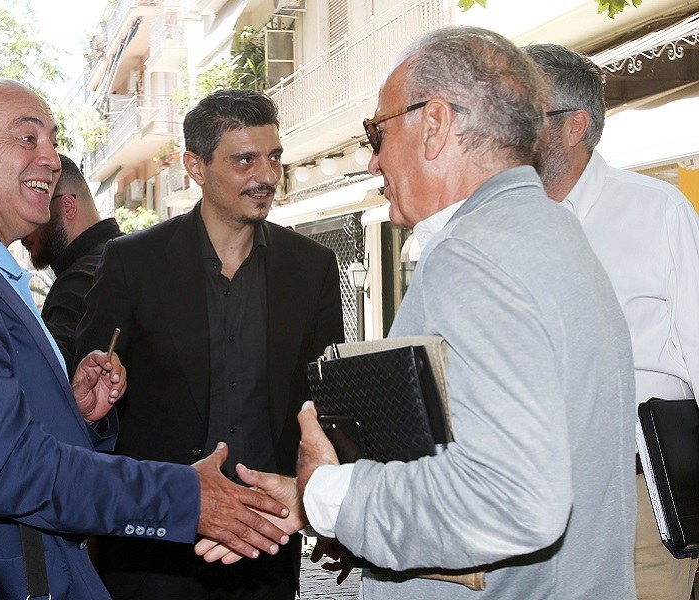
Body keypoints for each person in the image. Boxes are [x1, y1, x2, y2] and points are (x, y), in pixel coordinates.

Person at [0, 78, 294, 599]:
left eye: (53, 140)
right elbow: (7, 469)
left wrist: (72, 414)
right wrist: (186, 498)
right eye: (28, 138)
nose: (50, 158)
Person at [217, 26, 637, 599]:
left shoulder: (476, 255)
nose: (373, 162)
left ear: (435, 125)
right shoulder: (550, 232)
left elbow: (512, 499)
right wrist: (315, 500)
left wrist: (331, 495)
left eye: (377, 132)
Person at [75, 89, 344, 600]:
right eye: (245, 160)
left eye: (273, 157)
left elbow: (327, 402)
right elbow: (85, 401)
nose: (266, 176)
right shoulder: (132, 263)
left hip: (266, 546)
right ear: (195, 167)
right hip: (154, 553)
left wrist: (331, 505)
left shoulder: (311, 268)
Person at [526, 42, 699, 600]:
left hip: (639, 500)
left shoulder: (657, 211)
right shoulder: (497, 221)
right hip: (525, 505)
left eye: (524, 113)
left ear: (574, 125)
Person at [21, 153, 123, 373]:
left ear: (67, 206)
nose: (23, 232)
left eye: (35, 210)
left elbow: (48, 375)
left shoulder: (78, 283)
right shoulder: (126, 258)